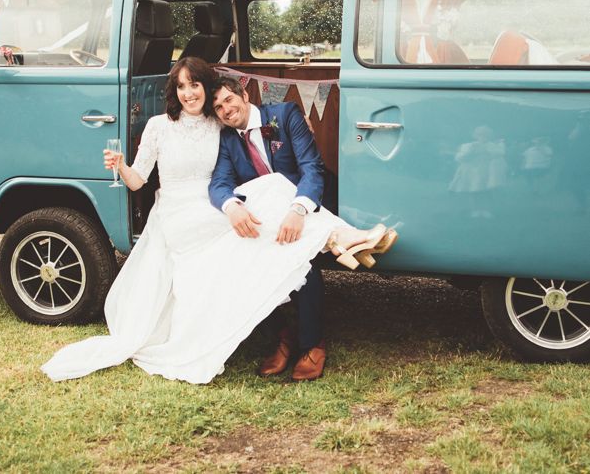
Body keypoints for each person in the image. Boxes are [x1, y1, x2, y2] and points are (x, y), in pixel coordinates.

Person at [41, 57, 394, 384]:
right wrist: (120, 166)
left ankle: (304, 330)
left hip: (248, 205)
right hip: (187, 212)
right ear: (174, 92)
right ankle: (341, 239)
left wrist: (294, 209)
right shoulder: (163, 127)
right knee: (267, 204)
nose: (190, 93)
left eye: (195, 85)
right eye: (181, 87)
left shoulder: (239, 122)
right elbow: (154, 181)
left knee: (274, 214)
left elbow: (303, 171)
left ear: (233, 93)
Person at [208, 76, 387, 380]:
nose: (225, 110)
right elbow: (219, 183)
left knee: (302, 263)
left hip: (309, 202)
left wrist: (298, 209)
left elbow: (311, 167)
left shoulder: (285, 114)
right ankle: (283, 336)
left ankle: (312, 344)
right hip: (270, 216)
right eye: (217, 107)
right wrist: (231, 206)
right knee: (241, 261)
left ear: (243, 95)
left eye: (228, 100)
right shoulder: (227, 139)